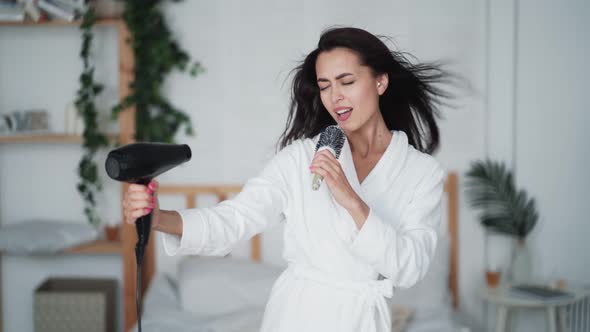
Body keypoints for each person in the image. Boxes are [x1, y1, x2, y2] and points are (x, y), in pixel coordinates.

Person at [123, 27, 449, 332]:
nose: (335, 97)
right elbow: (235, 219)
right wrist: (157, 218)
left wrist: (350, 200)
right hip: (296, 315)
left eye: (346, 81)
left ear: (380, 82)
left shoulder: (422, 174)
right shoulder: (301, 158)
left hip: (361, 319)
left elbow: (410, 267)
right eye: (324, 86)